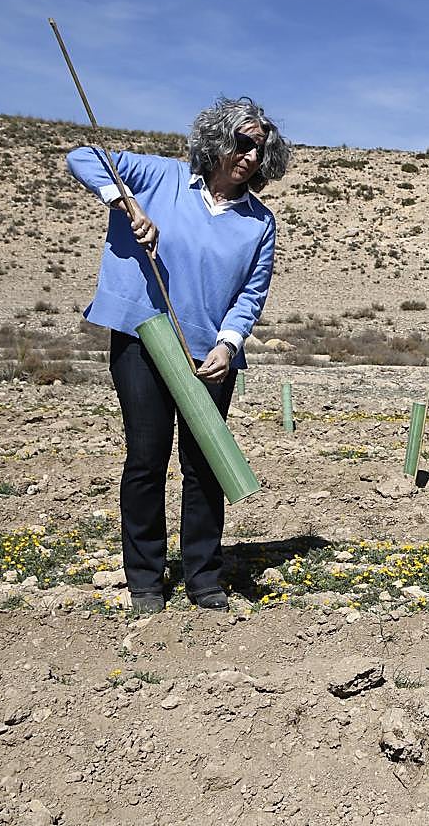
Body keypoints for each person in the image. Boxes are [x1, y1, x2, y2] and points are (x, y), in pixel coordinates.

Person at [67, 97, 292, 614]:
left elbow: (251, 295)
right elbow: (82, 155)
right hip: (143, 338)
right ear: (217, 139)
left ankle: (204, 578)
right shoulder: (161, 177)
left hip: (208, 355)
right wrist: (122, 202)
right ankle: (145, 579)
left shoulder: (260, 223)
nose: (250, 157)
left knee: (205, 465)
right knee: (146, 460)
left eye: (260, 149)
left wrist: (228, 343)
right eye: (242, 142)